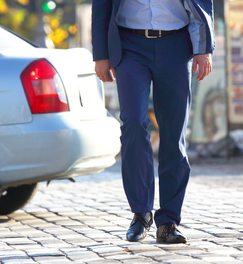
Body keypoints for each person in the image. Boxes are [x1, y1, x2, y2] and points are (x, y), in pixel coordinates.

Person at [92, 0, 214, 243]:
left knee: (173, 134)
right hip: (129, 46)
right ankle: (141, 213)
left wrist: (204, 47)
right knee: (133, 123)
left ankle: (168, 222)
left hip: (177, 44)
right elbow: (101, 5)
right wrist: (101, 54)